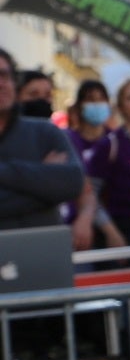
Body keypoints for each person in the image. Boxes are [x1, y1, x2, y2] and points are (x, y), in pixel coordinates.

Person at [0, 48, 84, 230]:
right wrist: (44, 185)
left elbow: (72, 183)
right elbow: (58, 189)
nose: (1, 84)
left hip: (43, 250)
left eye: (5, 76)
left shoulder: (46, 132)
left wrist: (6, 172)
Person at [86, 75, 130, 245]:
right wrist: (111, 232)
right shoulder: (109, 145)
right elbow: (90, 196)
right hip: (124, 232)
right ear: (120, 107)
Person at [59, 80, 125, 252]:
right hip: (78, 226)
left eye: (101, 99)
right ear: (79, 106)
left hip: (115, 222)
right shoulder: (67, 139)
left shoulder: (115, 141)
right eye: (90, 99)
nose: (96, 104)